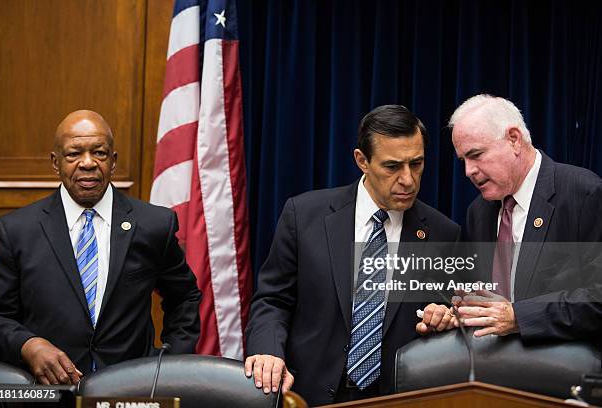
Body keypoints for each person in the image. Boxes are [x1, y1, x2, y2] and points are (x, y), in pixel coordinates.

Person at [244, 105, 461, 405]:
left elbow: (449, 317)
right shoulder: (305, 215)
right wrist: (268, 350)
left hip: (396, 398)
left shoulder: (443, 234)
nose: (408, 180)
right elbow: (273, 300)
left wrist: (445, 318)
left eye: (417, 164)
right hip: (309, 395)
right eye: (392, 166)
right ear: (362, 160)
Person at [0, 110, 201, 385]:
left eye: (99, 153)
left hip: (131, 390)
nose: (87, 163)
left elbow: (184, 298)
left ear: (113, 161)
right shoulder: (17, 230)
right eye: (73, 154)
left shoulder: (153, 224)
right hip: (48, 393)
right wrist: (29, 345)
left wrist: (169, 366)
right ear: (56, 162)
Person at [418, 94, 602, 340]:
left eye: (476, 154)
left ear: (514, 139)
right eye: (463, 160)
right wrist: (446, 310)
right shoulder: (479, 212)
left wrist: (519, 316)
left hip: (558, 369)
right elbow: (466, 288)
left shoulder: (583, 194)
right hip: (489, 368)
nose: (468, 171)